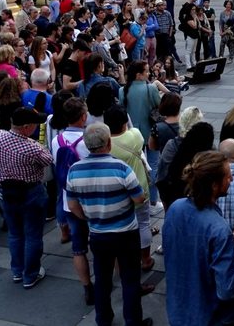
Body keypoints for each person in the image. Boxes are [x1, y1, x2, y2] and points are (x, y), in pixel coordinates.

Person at [66, 123, 152, 326]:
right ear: (108, 143)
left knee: (102, 279)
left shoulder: (75, 170)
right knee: (130, 279)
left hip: (98, 233)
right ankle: (133, 321)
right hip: (126, 233)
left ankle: (103, 319)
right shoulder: (121, 168)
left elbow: (72, 205)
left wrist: (90, 217)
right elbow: (139, 198)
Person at [163, 151, 234, 326]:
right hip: (212, 317)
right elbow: (227, 290)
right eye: (227, 177)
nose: (231, 179)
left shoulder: (175, 208)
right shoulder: (219, 229)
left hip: (178, 310)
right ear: (214, 185)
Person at [0, 107, 52, 289]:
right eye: (34, 124)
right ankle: (31, 274)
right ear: (26, 127)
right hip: (31, 192)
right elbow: (48, 159)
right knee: (33, 234)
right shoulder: (32, 148)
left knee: (15, 233)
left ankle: (17, 270)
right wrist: (36, 143)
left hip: (7, 191)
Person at [49, 97, 94, 304]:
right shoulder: (88, 141)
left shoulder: (56, 141)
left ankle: (87, 287)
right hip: (92, 199)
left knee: (78, 247)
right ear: (83, 117)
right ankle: (107, 278)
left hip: (70, 200)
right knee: (100, 241)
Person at [104, 105, 155, 272]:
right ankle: (146, 259)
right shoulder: (135, 135)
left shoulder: (104, 143)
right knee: (143, 224)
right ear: (125, 122)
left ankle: (122, 264)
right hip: (139, 188)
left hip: (116, 192)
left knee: (118, 229)